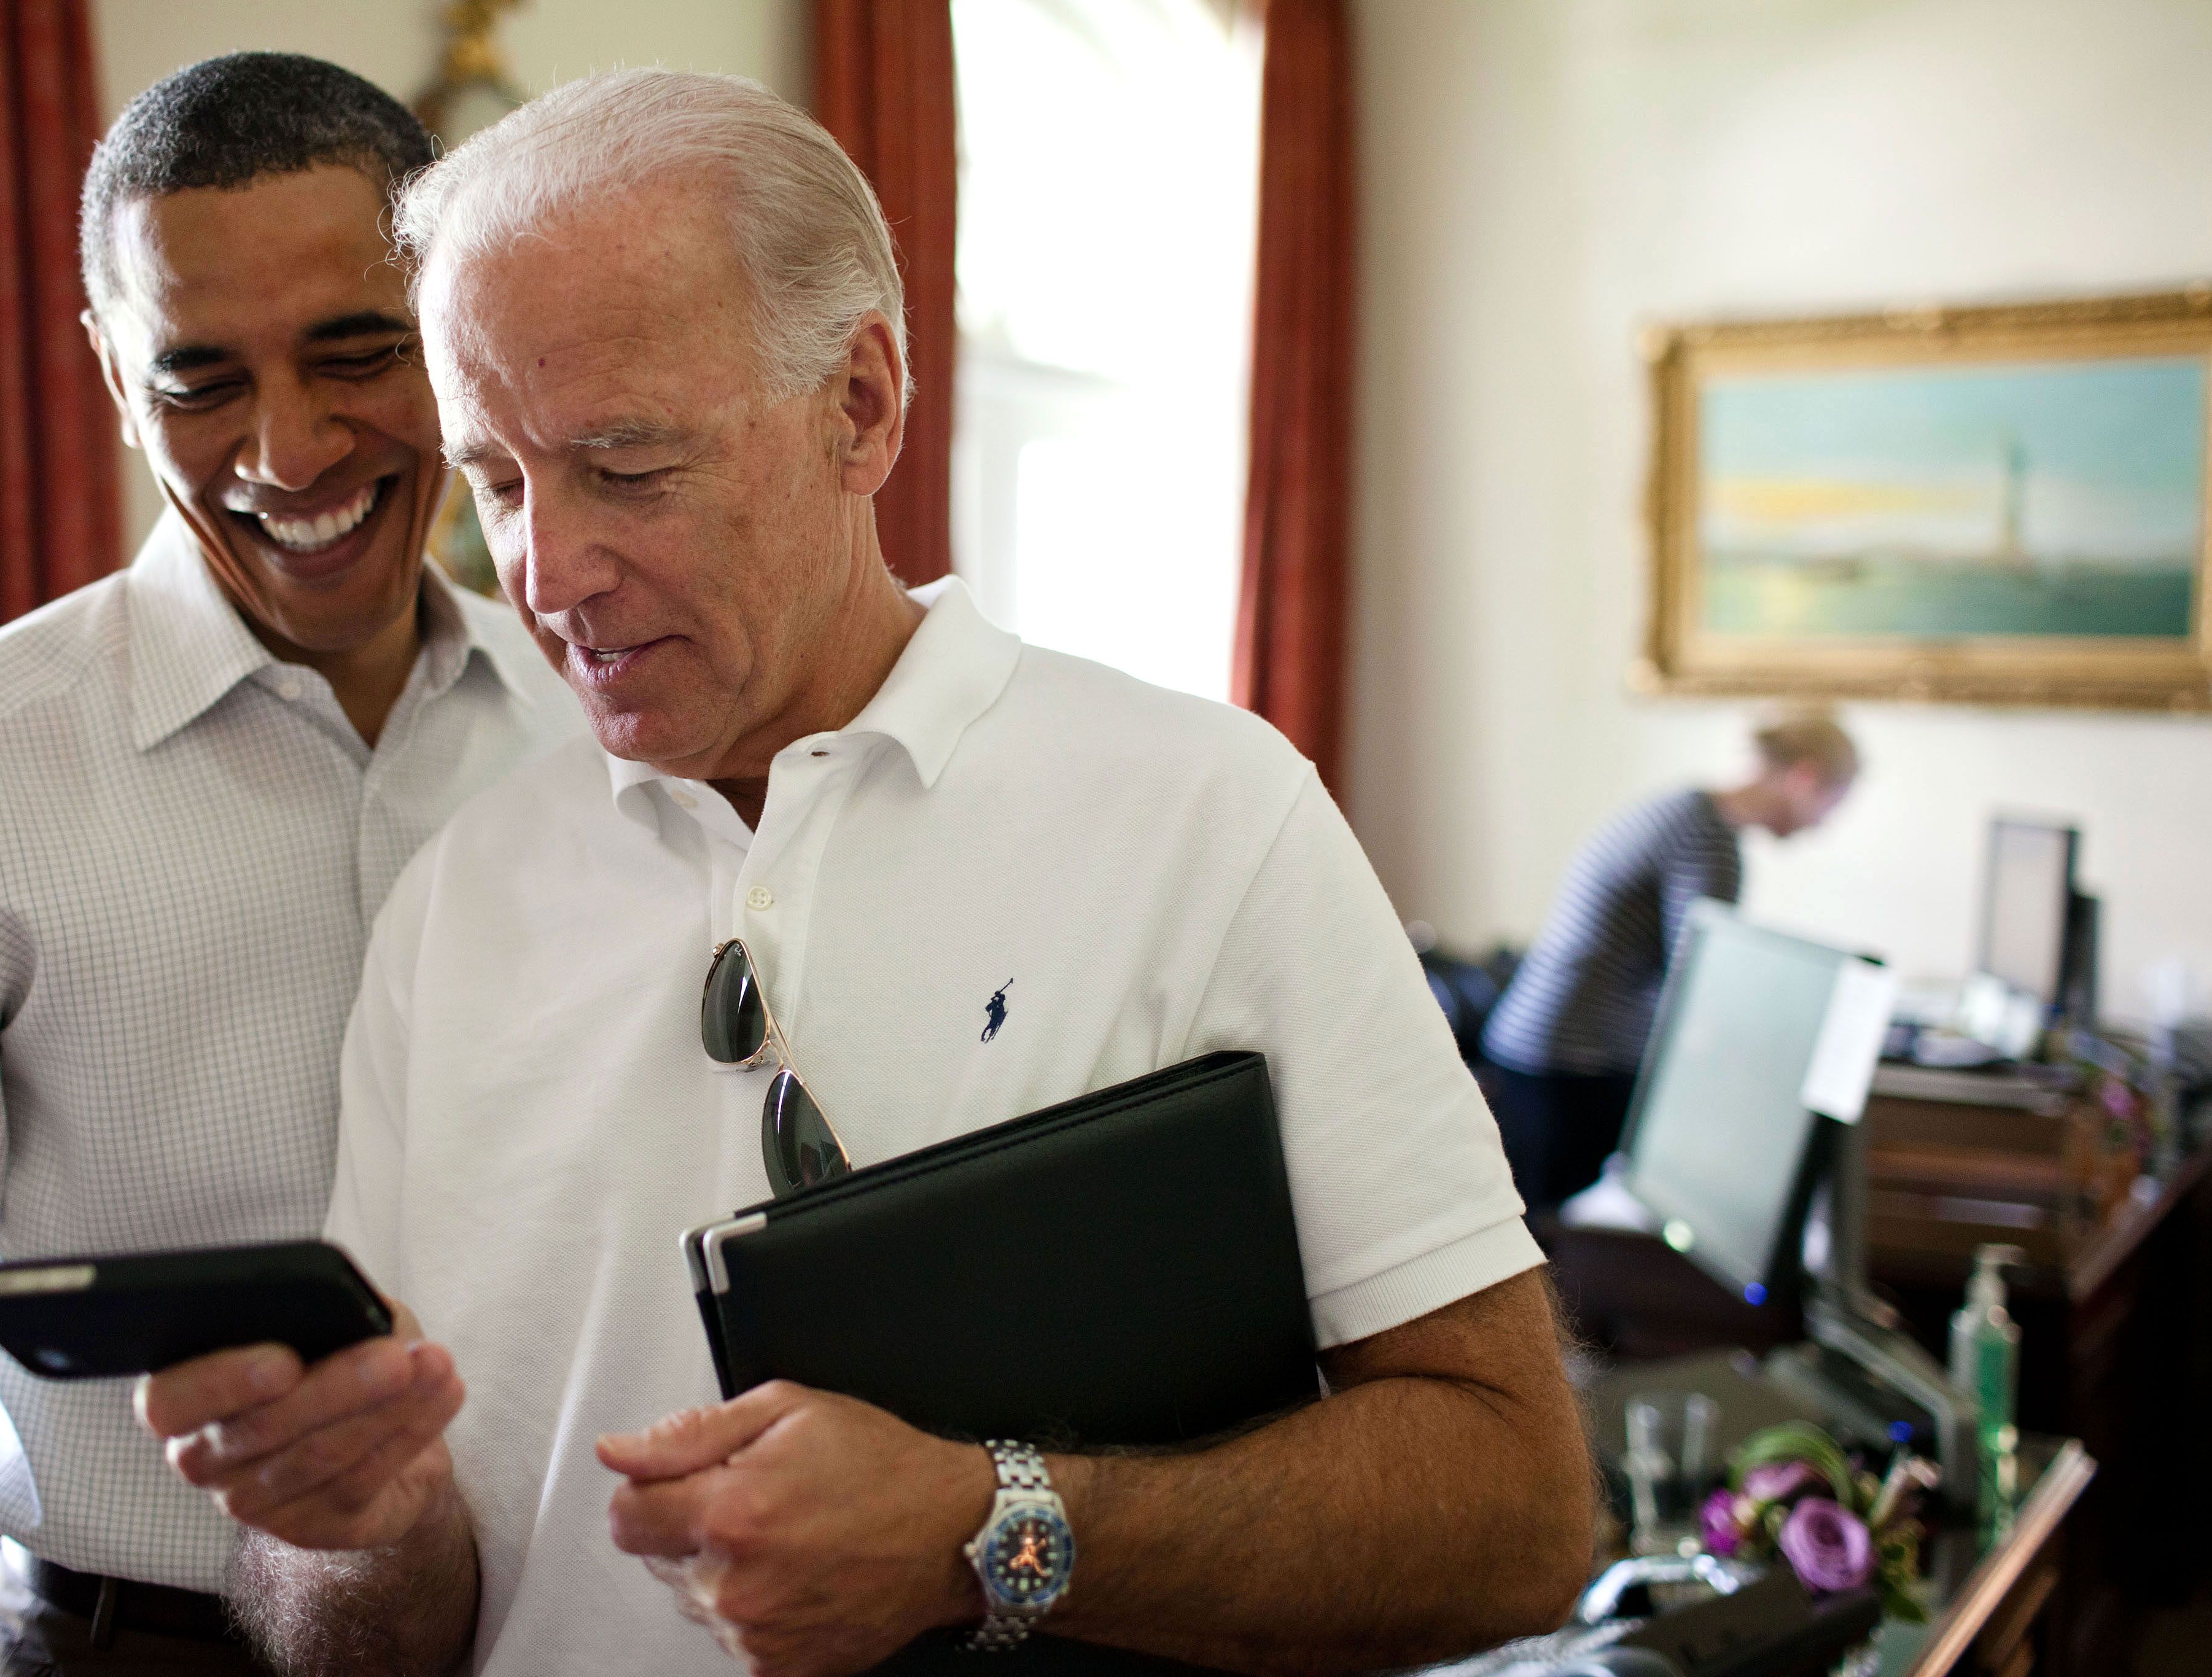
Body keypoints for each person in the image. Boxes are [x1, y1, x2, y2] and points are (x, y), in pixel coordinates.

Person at [137, 69, 1594, 1677]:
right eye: (496, 480)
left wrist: (992, 1532)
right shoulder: (452, 911)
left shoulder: (1206, 814)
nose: (547, 573)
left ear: (863, 405)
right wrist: (356, 1527)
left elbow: (1520, 1516)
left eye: (625, 466)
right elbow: (370, 1638)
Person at [0, 53, 580, 1677]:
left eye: (356, 353)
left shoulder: (596, 740)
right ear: (114, 376)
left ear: (458, 329)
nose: (291, 448)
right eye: (200, 380)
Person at [1479, 712, 1860, 1214]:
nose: (1821, 826)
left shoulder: (1687, 811)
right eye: (1829, 807)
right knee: (1555, 1242)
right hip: (1571, 1061)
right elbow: (1705, 982)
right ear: (1804, 777)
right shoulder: (1707, 836)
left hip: (1542, 1046)